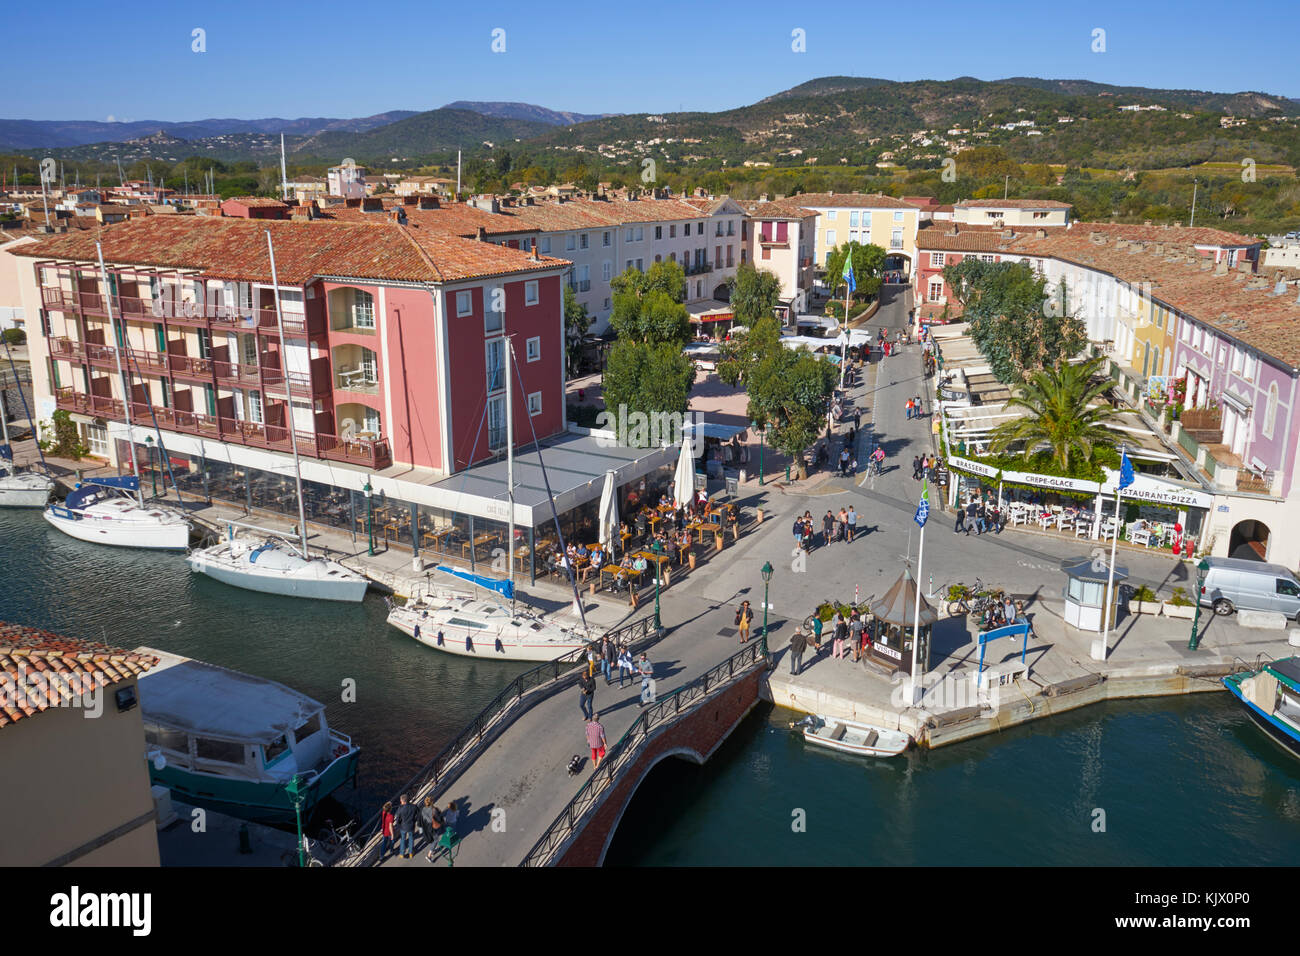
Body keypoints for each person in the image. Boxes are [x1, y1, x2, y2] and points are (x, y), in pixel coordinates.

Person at [394, 792, 418, 859]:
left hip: (403, 827)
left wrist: (399, 826)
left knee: (403, 840)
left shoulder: (400, 809)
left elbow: (397, 819)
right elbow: (418, 815)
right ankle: (410, 852)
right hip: (411, 826)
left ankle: (402, 853)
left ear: (404, 801)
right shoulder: (414, 807)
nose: (400, 802)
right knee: (411, 839)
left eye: (401, 801)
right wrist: (414, 820)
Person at [421, 797, 443, 861]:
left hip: (427, 828)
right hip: (434, 827)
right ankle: (429, 855)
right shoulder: (434, 810)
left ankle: (433, 849)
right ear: (432, 802)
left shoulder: (424, 810)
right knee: (436, 840)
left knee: (433, 839)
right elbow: (438, 819)